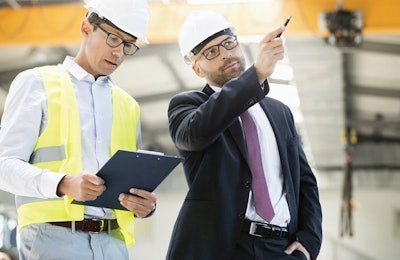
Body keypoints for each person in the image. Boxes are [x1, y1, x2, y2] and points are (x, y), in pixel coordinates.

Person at [0, 0, 157, 259]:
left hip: (113, 242)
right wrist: (62, 183)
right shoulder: (37, 83)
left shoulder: (129, 106)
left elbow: (131, 179)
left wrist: (144, 205)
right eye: (114, 39)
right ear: (86, 28)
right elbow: (4, 165)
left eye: (129, 45)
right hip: (51, 238)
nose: (119, 53)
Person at [166, 10, 322, 260]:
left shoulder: (280, 113)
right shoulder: (189, 106)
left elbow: (305, 182)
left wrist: (309, 242)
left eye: (228, 43)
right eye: (211, 52)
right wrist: (257, 74)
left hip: (281, 248)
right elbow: (196, 133)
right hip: (223, 249)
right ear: (197, 69)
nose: (226, 54)